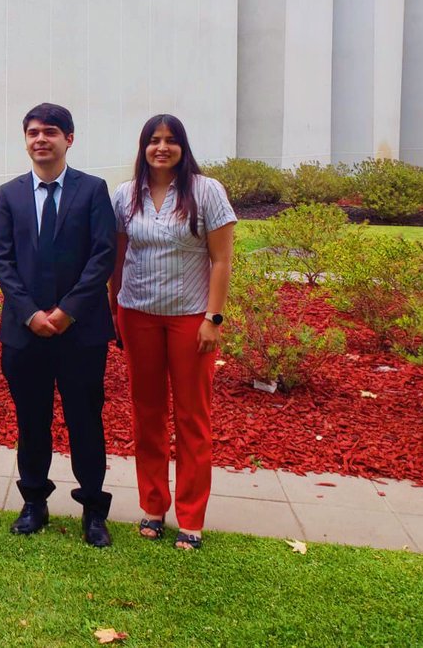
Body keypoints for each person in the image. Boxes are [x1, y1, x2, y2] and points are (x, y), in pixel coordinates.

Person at [0, 103, 117, 546]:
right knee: (31, 421)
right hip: (24, 332)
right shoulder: (9, 194)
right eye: (33, 132)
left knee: (85, 421)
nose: (40, 139)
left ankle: (93, 510)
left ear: (69, 139)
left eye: (50, 132)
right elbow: (1, 258)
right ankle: (33, 503)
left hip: (80, 332)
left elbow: (103, 254)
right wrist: (30, 313)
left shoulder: (93, 190)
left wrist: (67, 311)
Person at [109, 114, 236, 551]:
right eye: (154, 140)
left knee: (192, 417)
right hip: (137, 314)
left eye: (170, 140)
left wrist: (213, 319)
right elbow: (117, 260)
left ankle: (191, 518)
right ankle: (152, 507)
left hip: (191, 319)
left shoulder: (206, 191)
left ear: (183, 146)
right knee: (147, 416)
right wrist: (114, 311)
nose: (161, 148)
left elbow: (222, 260)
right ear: (143, 147)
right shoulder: (126, 195)